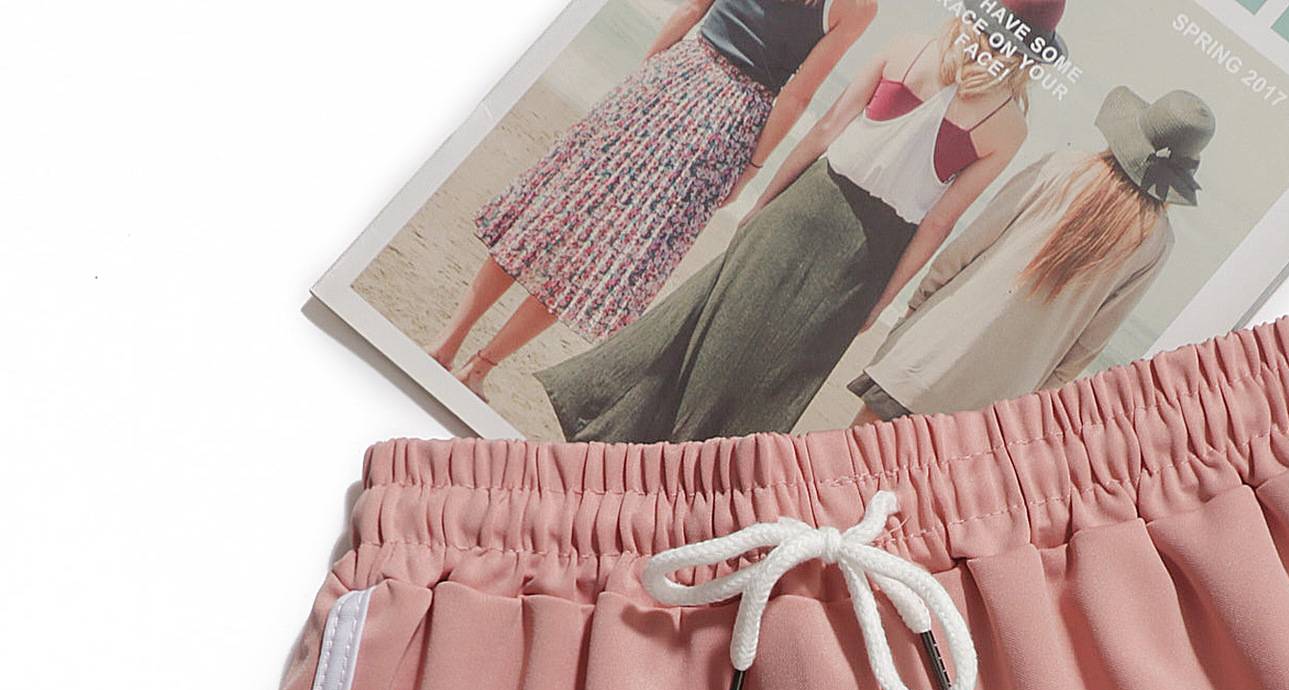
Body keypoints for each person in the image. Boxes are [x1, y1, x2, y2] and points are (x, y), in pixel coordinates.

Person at [540, 5, 1067, 445]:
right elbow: (939, 223)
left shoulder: (907, 48)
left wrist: (764, 201)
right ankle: (692, 476)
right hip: (868, 258)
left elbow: (826, 129)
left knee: (705, 319)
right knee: (775, 378)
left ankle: (610, 431)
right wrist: (883, 298)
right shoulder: (1009, 127)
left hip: (808, 203)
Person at [430, 0, 878, 397]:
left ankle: (448, 343)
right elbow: (797, 96)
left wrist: (644, 74)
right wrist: (752, 169)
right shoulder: (857, 7)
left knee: (557, 207)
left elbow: (690, 10)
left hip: (678, 72)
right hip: (727, 124)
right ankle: (479, 368)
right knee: (604, 256)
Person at [850, 86, 1214, 423]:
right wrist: (1033, 396)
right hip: (993, 406)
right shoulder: (1155, 241)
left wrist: (917, 305)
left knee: (842, 463)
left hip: (932, 351)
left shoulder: (1063, 168)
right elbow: (1089, 342)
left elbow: (970, 245)